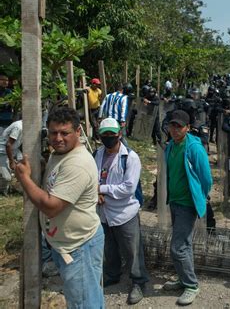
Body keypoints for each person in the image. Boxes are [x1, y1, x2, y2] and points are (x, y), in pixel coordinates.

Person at [15, 107, 104, 307]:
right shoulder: (60, 154)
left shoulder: (77, 163)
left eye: (65, 133)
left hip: (79, 246)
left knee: (83, 303)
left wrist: (24, 179)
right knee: (86, 298)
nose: (58, 138)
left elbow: (51, 206)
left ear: (78, 132)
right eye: (53, 133)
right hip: (68, 243)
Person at [94, 118, 149, 305]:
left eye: (112, 134)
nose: (108, 138)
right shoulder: (97, 153)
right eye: (105, 134)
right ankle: (112, 274)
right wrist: (96, 190)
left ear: (119, 134)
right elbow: (92, 177)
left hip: (125, 213)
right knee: (109, 247)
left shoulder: (130, 158)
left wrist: (101, 190)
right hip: (104, 212)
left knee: (132, 250)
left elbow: (128, 188)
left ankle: (139, 282)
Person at [162, 110, 212, 306]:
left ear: (188, 128)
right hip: (175, 201)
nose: (174, 130)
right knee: (185, 244)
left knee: (178, 247)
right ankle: (184, 279)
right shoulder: (171, 146)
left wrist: (200, 195)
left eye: (179, 126)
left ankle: (191, 285)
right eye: (172, 125)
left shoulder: (194, 148)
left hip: (187, 204)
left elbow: (206, 178)